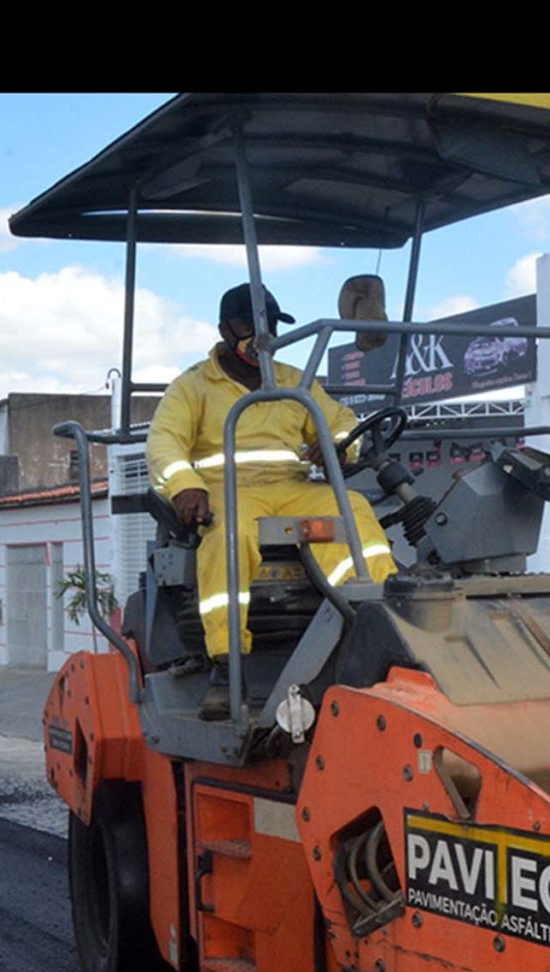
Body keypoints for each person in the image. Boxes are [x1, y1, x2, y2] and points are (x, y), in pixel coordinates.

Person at [146, 283, 397, 718]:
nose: (261, 337)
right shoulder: (193, 385)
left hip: (291, 486)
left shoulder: (291, 380)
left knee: (352, 509)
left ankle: (381, 629)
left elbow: (340, 422)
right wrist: (185, 484)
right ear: (225, 329)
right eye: (250, 326)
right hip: (227, 492)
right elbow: (164, 442)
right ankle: (228, 667)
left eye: (271, 328)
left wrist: (337, 445)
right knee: (230, 535)